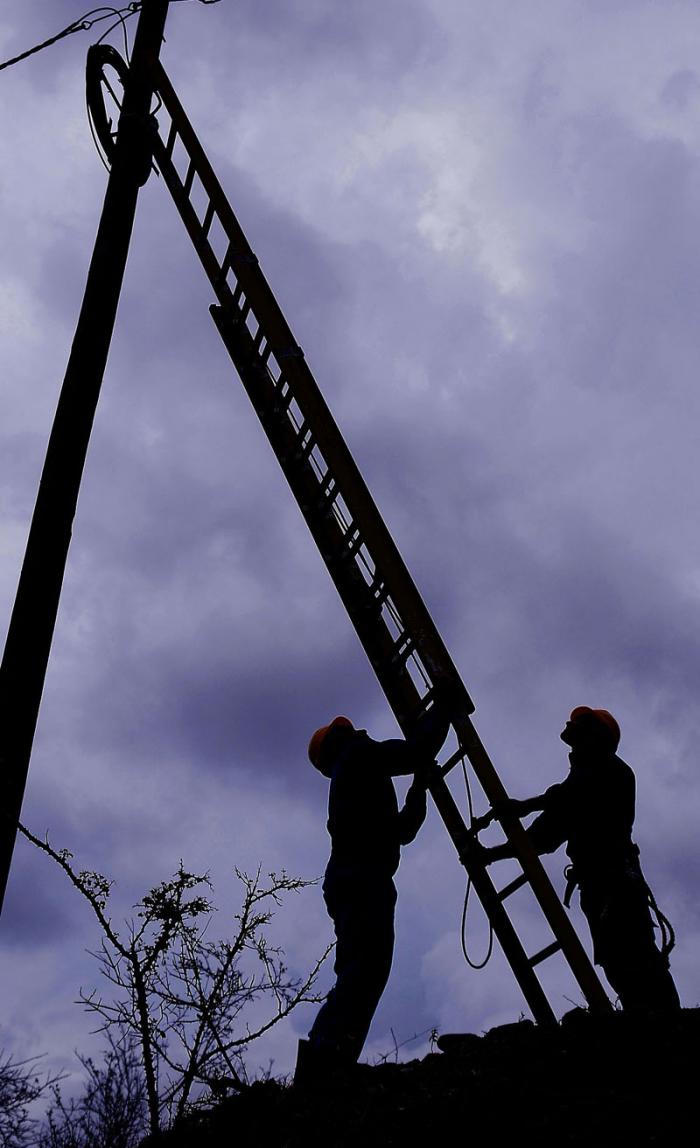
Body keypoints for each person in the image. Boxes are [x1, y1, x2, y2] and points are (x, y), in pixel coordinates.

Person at [480, 706, 680, 1012]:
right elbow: (545, 835)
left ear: (597, 738)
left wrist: (525, 806)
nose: (575, 739)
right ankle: (644, 1025)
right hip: (598, 885)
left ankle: (666, 1027)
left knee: (635, 955)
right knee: (615, 961)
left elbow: (571, 797)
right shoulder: (580, 779)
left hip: (616, 881)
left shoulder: (613, 772)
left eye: (581, 730)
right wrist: (492, 853)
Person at [296, 707, 449, 1081]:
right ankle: (324, 1061)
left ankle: (331, 1060)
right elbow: (417, 750)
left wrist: (418, 785)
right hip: (361, 880)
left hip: (358, 880)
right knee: (363, 970)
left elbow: (401, 830)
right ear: (339, 741)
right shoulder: (359, 756)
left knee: (364, 972)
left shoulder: (358, 773)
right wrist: (443, 706)